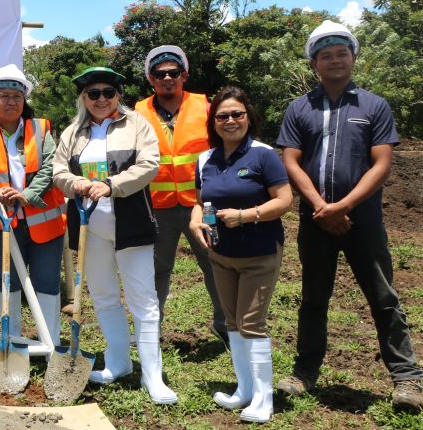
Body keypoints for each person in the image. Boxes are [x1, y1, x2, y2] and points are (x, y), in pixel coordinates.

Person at [275, 21, 423, 409]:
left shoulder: (373, 106)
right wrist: (322, 207)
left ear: (353, 58)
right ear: (314, 64)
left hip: (363, 220)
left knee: (383, 297)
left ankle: (407, 380)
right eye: (326, 55)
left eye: (342, 53)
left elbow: (382, 163)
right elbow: (290, 159)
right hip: (315, 221)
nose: (335, 60)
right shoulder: (299, 108)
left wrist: (343, 206)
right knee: (313, 298)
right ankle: (304, 373)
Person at [52, 66, 177, 404]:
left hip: (132, 223)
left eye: (109, 92)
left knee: (144, 300)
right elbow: (58, 170)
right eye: (94, 94)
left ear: (119, 95)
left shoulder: (136, 125)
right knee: (105, 296)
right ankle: (119, 362)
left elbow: (149, 165)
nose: (102, 99)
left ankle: (153, 376)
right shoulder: (73, 132)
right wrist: (74, 183)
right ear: (84, 98)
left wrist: (110, 185)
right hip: (88, 227)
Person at [189, 87, 292, 423]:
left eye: (237, 114)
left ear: (249, 117)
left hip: (259, 252)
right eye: (223, 116)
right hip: (221, 254)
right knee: (233, 322)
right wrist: (195, 220)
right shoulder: (206, 159)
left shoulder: (264, 155)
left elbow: (284, 201)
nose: (230, 121)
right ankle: (244, 390)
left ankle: (264, 398)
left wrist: (245, 216)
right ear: (213, 122)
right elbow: (200, 199)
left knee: (251, 323)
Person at [0, 64, 66, 345]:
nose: (11, 102)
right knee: (10, 282)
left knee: (47, 283)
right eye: (4, 96)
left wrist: (28, 195)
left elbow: (51, 167)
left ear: (24, 101)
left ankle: (49, 343)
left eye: (17, 96)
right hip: (2, 220)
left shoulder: (41, 129)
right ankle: (15, 343)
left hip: (44, 222)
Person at [134, 45, 226, 346]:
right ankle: (150, 330)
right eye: (160, 74)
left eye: (174, 72)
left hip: (204, 203)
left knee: (216, 262)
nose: (167, 78)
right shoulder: (137, 112)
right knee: (156, 269)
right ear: (151, 78)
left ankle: (226, 325)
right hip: (156, 206)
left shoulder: (207, 107)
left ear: (184, 75)